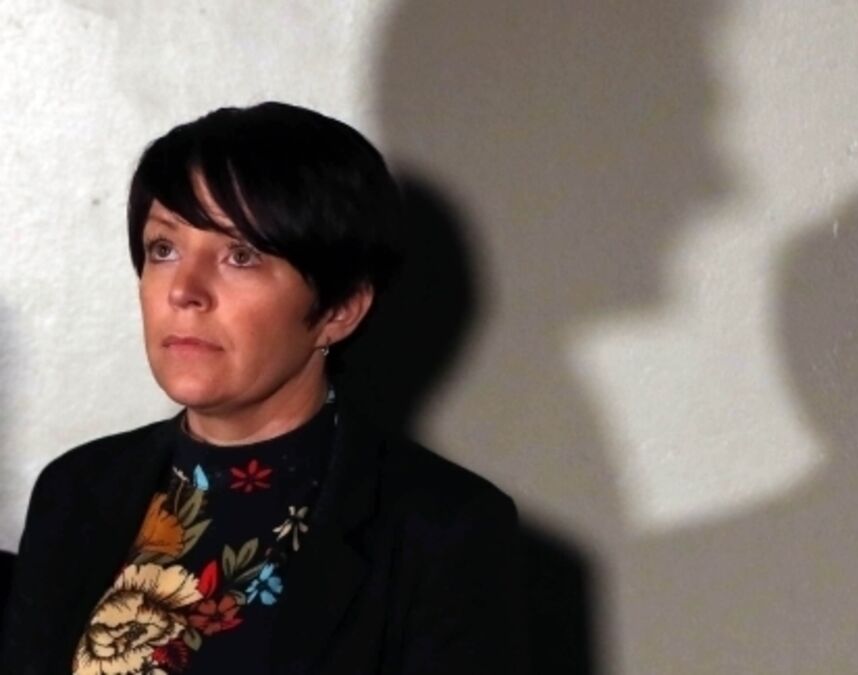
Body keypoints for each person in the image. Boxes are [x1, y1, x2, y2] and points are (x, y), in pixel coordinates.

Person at [0, 102, 524, 674]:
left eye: (240, 255)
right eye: (164, 249)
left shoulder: (445, 530)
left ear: (340, 310)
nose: (184, 291)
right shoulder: (76, 490)